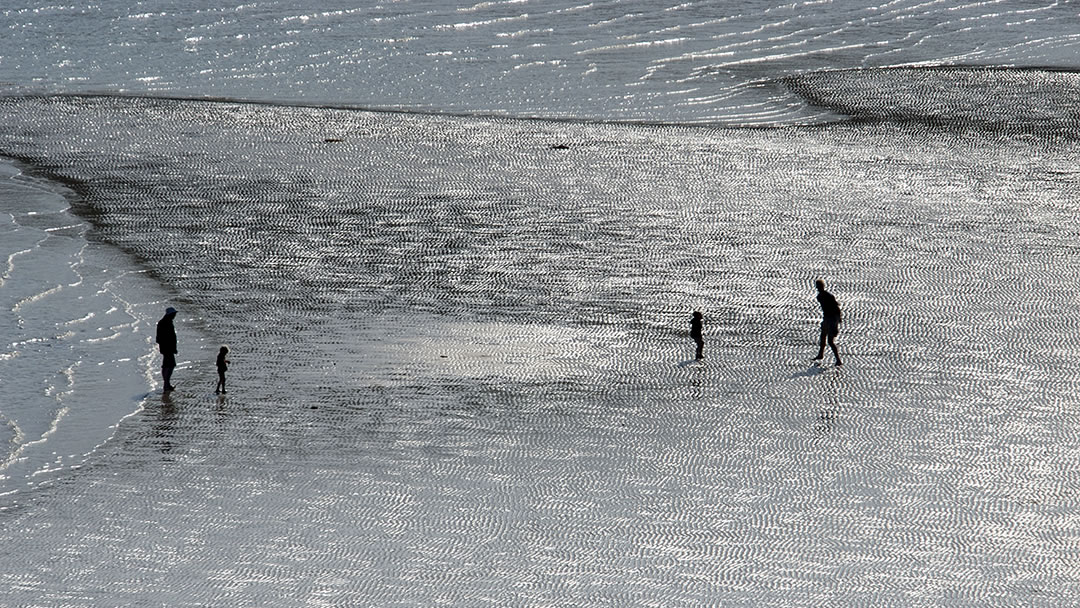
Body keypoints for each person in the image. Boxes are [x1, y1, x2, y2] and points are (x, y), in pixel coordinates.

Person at [813, 280, 843, 366]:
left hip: (832, 319)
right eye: (817, 286)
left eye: (818, 286)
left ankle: (838, 360)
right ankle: (820, 354)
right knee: (822, 336)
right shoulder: (819, 296)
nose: (817, 288)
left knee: (830, 341)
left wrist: (838, 319)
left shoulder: (828, 296)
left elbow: (836, 308)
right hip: (827, 318)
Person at [156, 306, 178, 391]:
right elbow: (170, 337)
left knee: (166, 365)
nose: (174, 315)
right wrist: (172, 347)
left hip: (164, 348)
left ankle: (166, 384)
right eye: (173, 314)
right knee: (170, 365)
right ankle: (166, 384)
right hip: (168, 348)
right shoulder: (167, 323)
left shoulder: (162, 322)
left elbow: (158, 338)